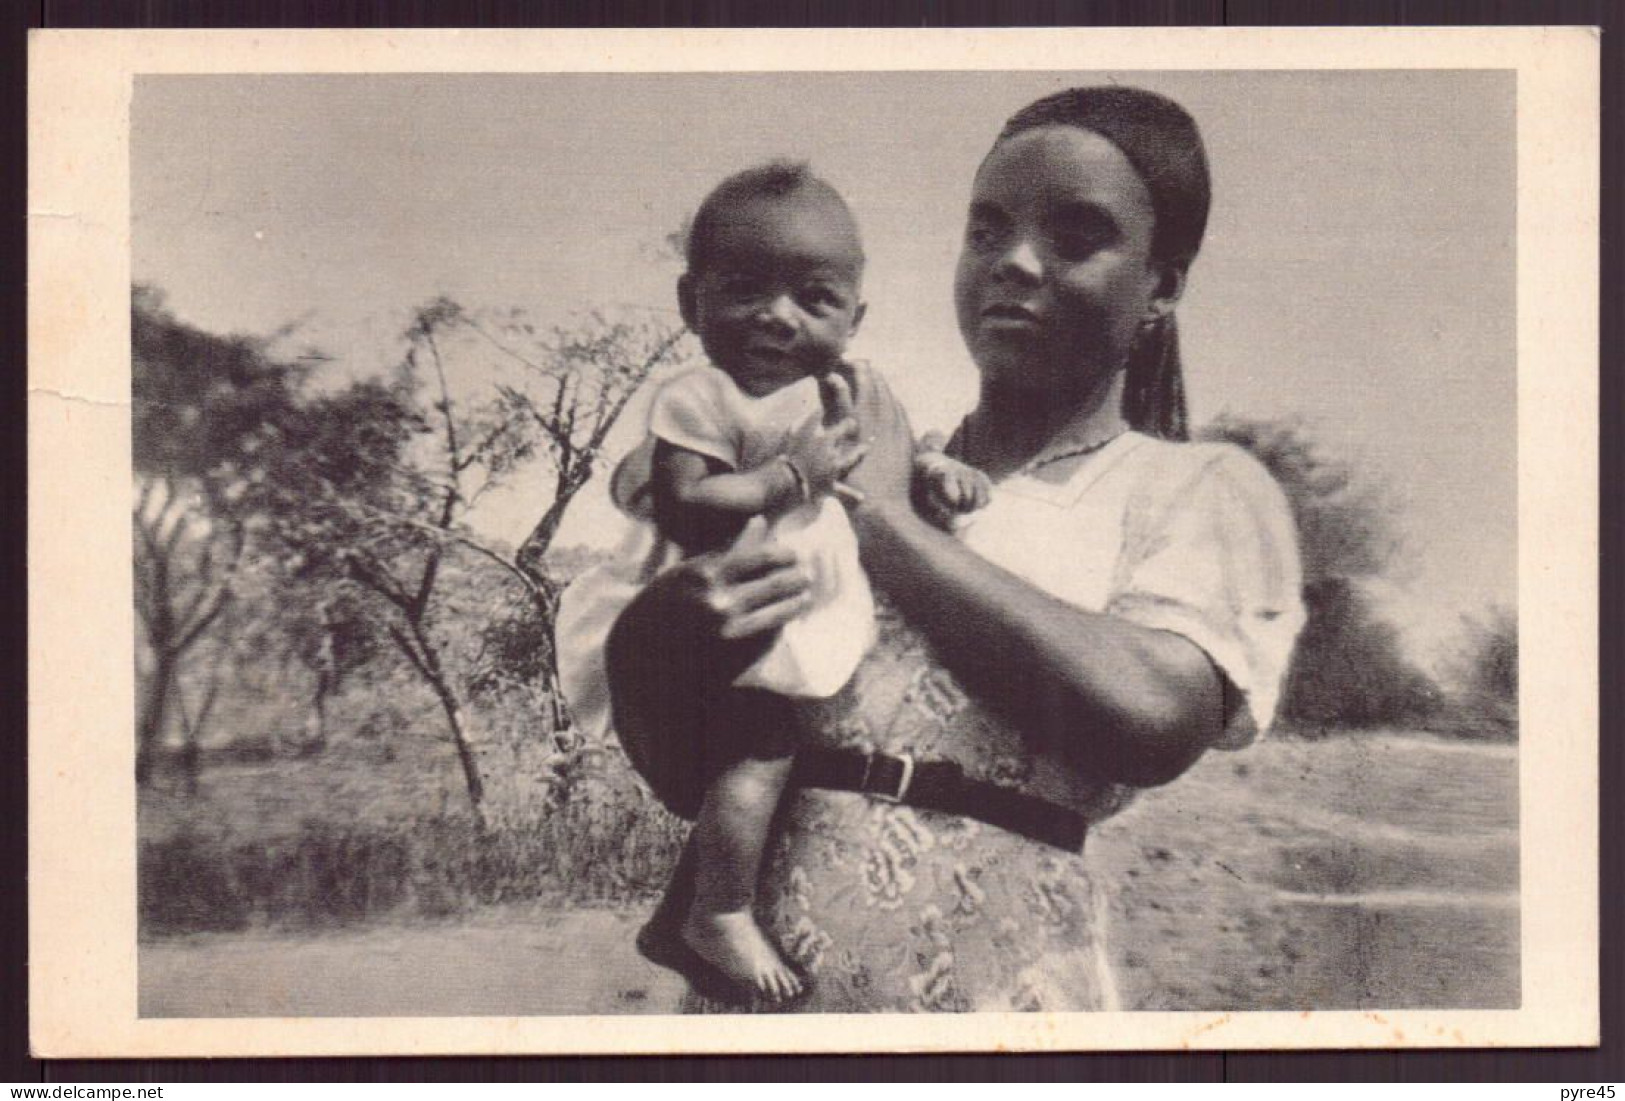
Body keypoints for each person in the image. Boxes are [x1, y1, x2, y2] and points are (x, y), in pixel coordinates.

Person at [599, 86, 1306, 1012]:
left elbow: (1152, 718)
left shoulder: (1194, 489)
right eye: (986, 231)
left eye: (1075, 236)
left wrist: (888, 525)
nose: (1013, 261)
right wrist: (647, 651)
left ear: (1161, 285)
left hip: (994, 995)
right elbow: (697, 779)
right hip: (769, 1000)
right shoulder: (844, 471)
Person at [558, 162, 990, 1003]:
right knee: (760, 740)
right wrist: (792, 477)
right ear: (692, 305)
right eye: (745, 290)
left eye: (813, 298)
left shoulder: (844, 394)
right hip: (706, 609)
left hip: (782, 605)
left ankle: (700, 904)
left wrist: (930, 472)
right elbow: (688, 506)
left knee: (780, 745)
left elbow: (878, 473)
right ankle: (714, 909)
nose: (775, 316)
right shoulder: (698, 395)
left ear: (854, 317)